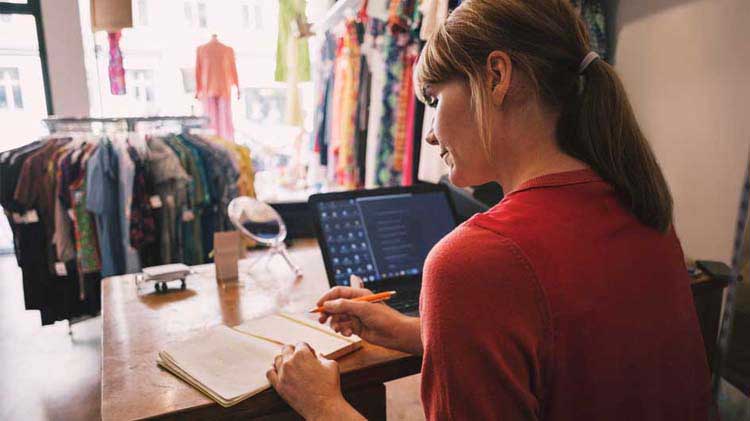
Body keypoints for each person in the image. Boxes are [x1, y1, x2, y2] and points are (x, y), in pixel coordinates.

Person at [265, 0, 712, 419]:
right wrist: (411, 330)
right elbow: (575, 358)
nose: (430, 136)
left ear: (497, 76)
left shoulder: (474, 261)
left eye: (435, 100)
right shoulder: (642, 208)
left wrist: (323, 405)